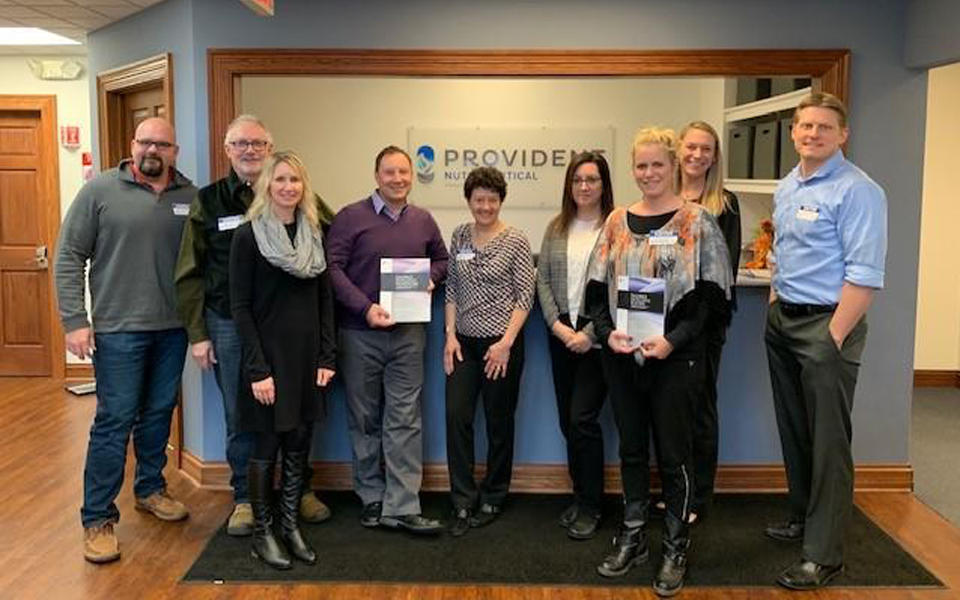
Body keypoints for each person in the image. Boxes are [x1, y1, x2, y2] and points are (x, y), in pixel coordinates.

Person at [585, 127, 732, 596]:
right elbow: (593, 292)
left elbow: (712, 300)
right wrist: (608, 336)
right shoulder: (614, 221)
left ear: (674, 167)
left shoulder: (697, 222)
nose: (650, 173)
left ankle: (674, 545)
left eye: (658, 165)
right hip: (624, 359)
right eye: (642, 166)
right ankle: (633, 535)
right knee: (631, 449)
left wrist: (672, 341)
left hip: (676, 358)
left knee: (673, 456)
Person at [175, 115, 335, 536]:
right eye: (240, 143)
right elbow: (189, 270)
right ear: (227, 149)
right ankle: (246, 499)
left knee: (299, 408)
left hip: (291, 329)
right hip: (231, 323)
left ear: (269, 147)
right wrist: (198, 332)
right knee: (242, 414)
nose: (249, 150)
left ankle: (297, 491)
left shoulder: (304, 203)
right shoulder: (208, 202)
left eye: (258, 143)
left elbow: (336, 238)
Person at [54, 117, 196, 564]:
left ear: (175, 150)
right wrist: (75, 320)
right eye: (145, 141)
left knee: (158, 414)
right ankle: (97, 518)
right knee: (114, 422)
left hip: (173, 329)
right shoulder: (99, 192)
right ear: (132, 145)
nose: (153, 150)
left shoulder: (190, 198)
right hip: (118, 330)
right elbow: (68, 255)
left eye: (163, 144)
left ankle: (150, 488)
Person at [764, 92, 887, 591]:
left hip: (826, 327)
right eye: (804, 126)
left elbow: (866, 275)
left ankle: (824, 553)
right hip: (784, 322)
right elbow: (781, 250)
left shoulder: (859, 191)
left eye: (823, 127)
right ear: (793, 132)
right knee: (796, 431)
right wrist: (774, 301)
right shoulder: (789, 184)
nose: (812, 134)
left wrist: (831, 337)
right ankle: (801, 517)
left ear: (842, 134)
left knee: (829, 443)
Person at [326, 145, 449, 535]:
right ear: (376, 176)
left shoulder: (423, 220)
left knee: (405, 419)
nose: (397, 179)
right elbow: (332, 270)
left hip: (409, 334)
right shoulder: (350, 218)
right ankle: (372, 497)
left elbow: (442, 260)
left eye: (403, 172)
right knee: (364, 419)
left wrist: (431, 277)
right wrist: (365, 308)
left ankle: (402, 504)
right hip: (360, 333)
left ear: (412, 176)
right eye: (389, 172)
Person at [229, 151, 336, 570]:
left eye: (295, 180)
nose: (288, 187)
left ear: (303, 187)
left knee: (298, 443)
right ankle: (263, 532)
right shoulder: (247, 236)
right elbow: (240, 307)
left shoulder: (314, 232)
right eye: (280, 180)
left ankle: (289, 526)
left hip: (307, 359)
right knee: (267, 445)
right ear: (266, 186)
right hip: (268, 362)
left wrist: (327, 355)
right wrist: (258, 369)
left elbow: (324, 300)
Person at [443, 167, 535, 537]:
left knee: (499, 421)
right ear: (469, 201)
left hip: (502, 344)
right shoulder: (460, 236)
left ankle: (494, 494)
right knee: (456, 416)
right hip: (463, 342)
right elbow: (451, 289)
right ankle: (463, 499)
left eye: (492, 200)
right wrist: (449, 336)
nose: (485, 206)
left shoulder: (515, 239)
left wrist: (506, 344)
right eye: (478, 199)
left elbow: (524, 297)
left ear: (501, 201)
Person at [536, 152, 615, 540]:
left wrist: (589, 333)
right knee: (570, 420)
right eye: (577, 180)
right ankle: (579, 494)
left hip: (597, 339)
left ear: (604, 184)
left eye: (592, 180)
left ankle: (592, 505)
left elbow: (619, 287)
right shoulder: (556, 227)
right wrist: (556, 325)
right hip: (562, 334)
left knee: (584, 419)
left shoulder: (616, 227)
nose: (584, 187)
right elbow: (544, 283)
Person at [673, 121, 741, 524]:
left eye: (706, 149)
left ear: (715, 156)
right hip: (665, 325)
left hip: (705, 324)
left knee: (700, 409)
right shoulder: (663, 196)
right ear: (679, 149)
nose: (697, 155)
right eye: (691, 147)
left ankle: (698, 498)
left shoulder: (724, 204)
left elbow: (724, 269)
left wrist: (696, 315)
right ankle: (676, 491)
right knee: (671, 412)